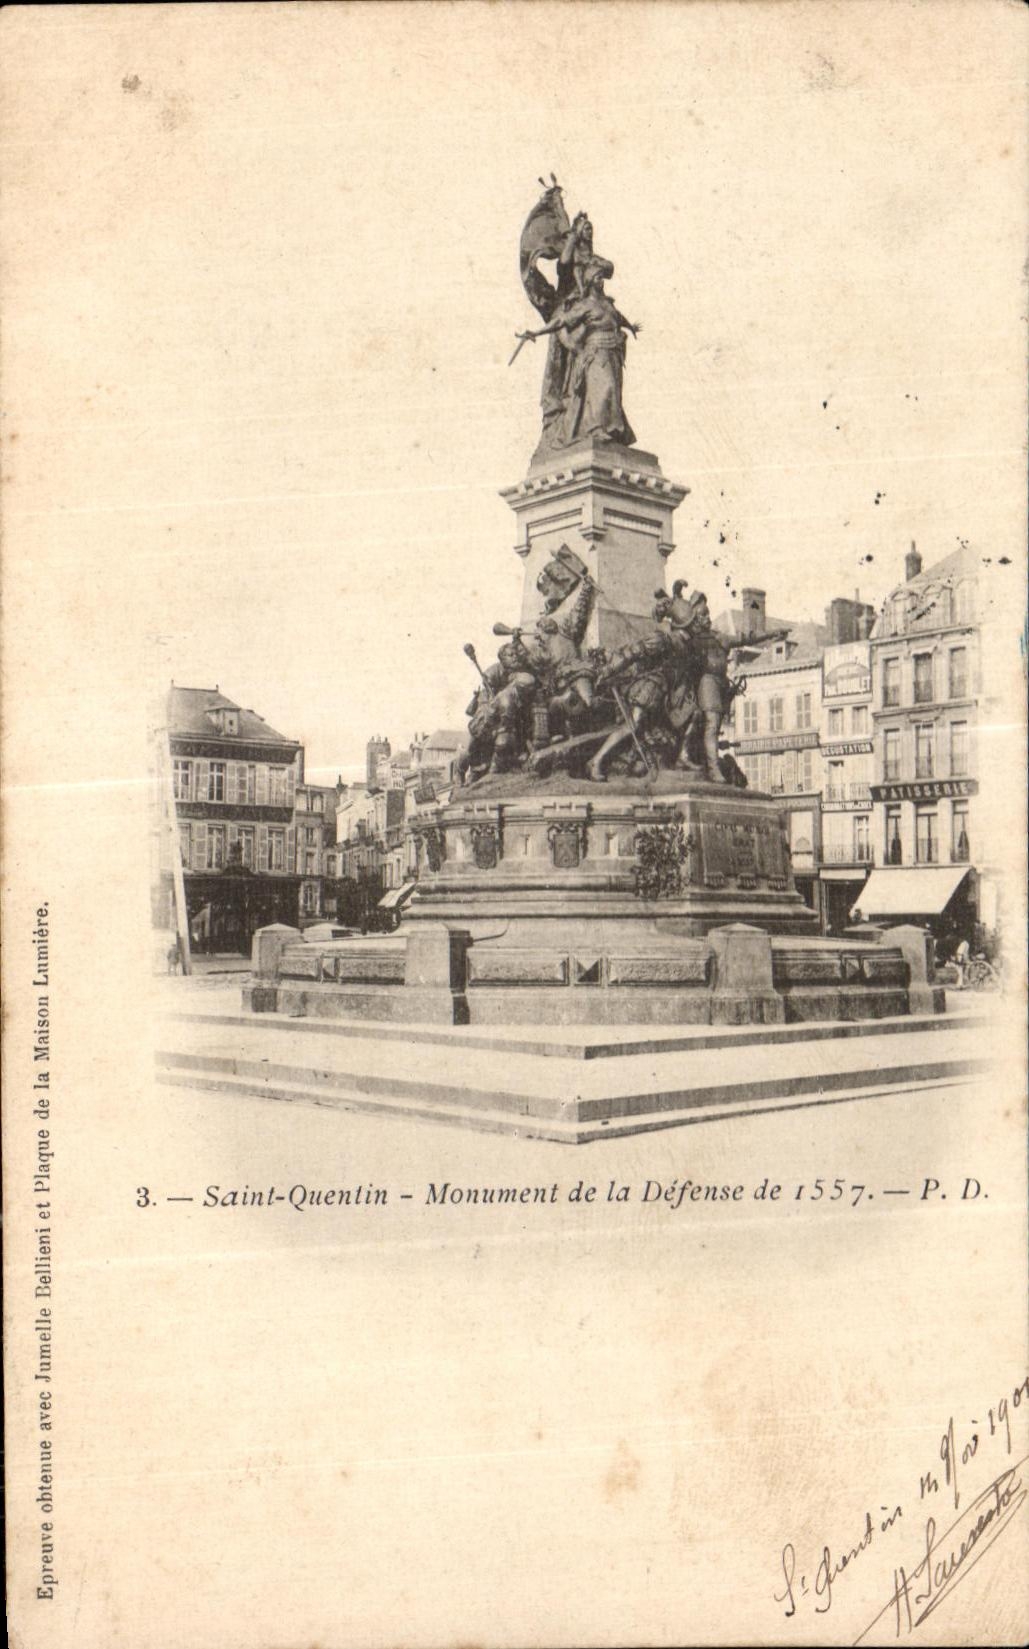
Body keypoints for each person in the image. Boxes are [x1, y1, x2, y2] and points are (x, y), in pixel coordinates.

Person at [522, 259, 640, 450]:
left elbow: (617, 317)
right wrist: (537, 332)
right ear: (591, 280)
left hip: (613, 352)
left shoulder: (606, 304)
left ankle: (611, 431)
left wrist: (630, 327)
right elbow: (560, 321)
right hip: (595, 352)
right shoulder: (584, 305)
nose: (601, 281)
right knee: (604, 388)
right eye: (598, 277)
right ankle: (596, 429)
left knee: (613, 394)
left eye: (602, 278)